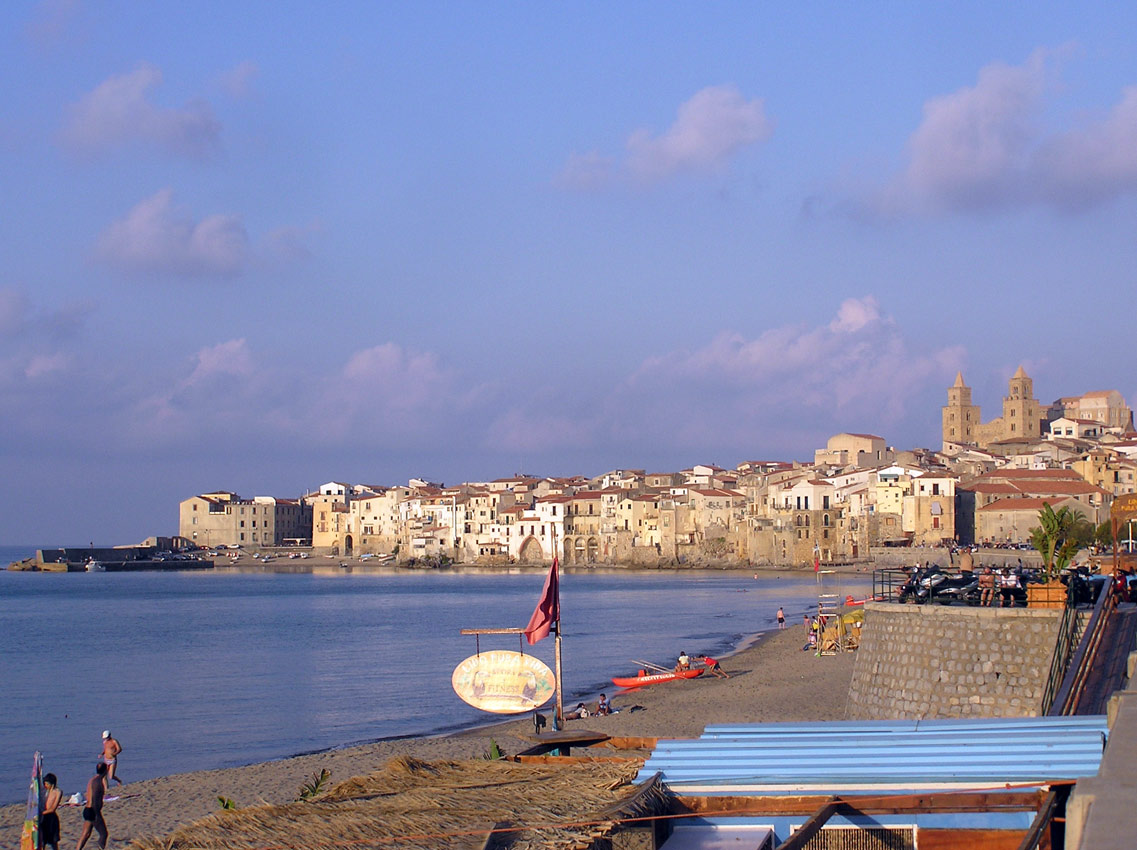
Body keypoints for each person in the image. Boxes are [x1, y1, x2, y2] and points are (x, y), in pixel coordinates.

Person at [77, 762, 108, 850]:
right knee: (103, 834)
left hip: (88, 809)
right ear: (105, 770)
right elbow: (94, 799)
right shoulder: (98, 782)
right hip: (93, 810)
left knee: (86, 834)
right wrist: (96, 813)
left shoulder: (93, 779)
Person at [42, 772, 62, 850]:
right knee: (42, 840)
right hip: (43, 818)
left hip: (51, 817)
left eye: (47, 784)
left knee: (53, 841)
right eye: (45, 784)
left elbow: (53, 808)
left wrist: (41, 813)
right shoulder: (44, 791)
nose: (45, 785)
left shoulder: (58, 792)